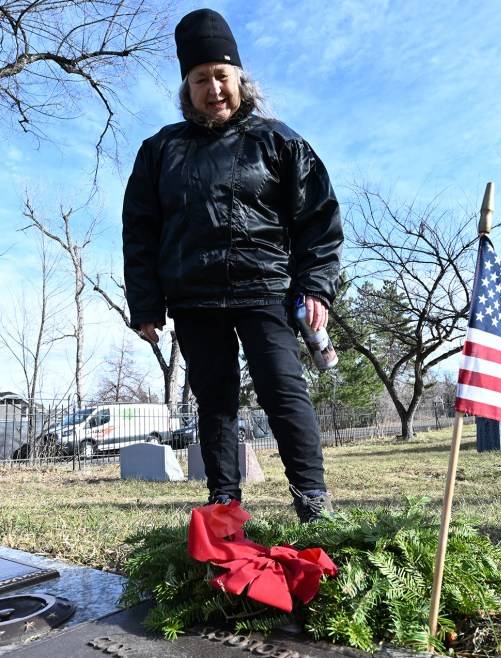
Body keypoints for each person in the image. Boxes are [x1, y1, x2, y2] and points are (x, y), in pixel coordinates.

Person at [123, 9, 343, 521]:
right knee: (214, 401)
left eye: (221, 76)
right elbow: (140, 231)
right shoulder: (159, 151)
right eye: (200, 80)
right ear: (187, 88)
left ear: (240, 80)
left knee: (283, 390)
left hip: (266, 289)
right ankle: (224, 505)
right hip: (194, 297)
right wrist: (146, 304)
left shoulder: (279, 141)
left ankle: (313, 501)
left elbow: (318, 218)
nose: (214, 89)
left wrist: (315, 285)